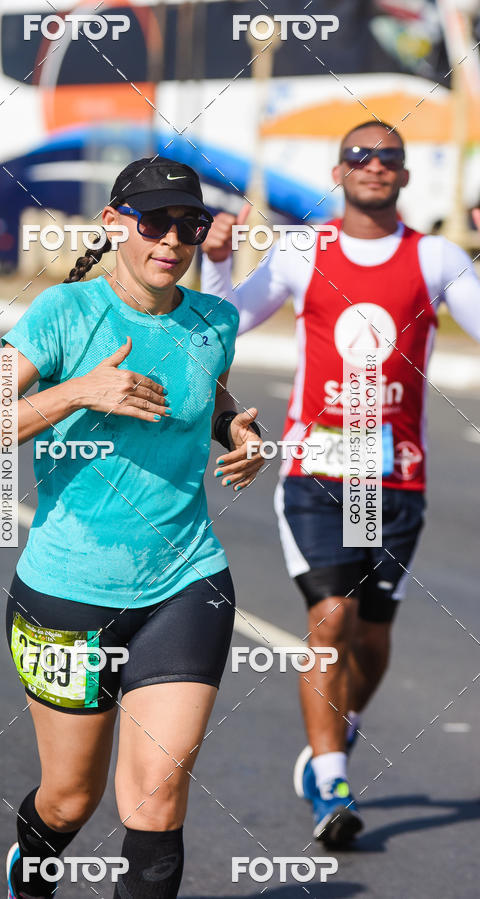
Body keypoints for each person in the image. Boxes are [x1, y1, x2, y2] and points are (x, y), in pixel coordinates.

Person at [0, 157, 264, 899]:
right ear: (115, 223)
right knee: (70, 798)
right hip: (68, 592)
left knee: (157, 798)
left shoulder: (213, 320)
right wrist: (78, 391)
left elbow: (209, 385)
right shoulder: (57, 316)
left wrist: (236, 431)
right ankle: (31, 874)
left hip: (187, 579)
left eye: (187, 224)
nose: (172, 239)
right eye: (154, 222)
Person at [201, 121, 480, 847]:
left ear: (406, 176)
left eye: (389, 157)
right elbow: (225, 324)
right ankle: (331, 782)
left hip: (395, 475)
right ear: (340, 170)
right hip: (319, 468)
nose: (374, 166)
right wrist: (217, 265)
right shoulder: (304, 251)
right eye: (360, 155)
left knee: (375, 637)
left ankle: (342, 728)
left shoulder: (437, 256)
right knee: (330, 619)